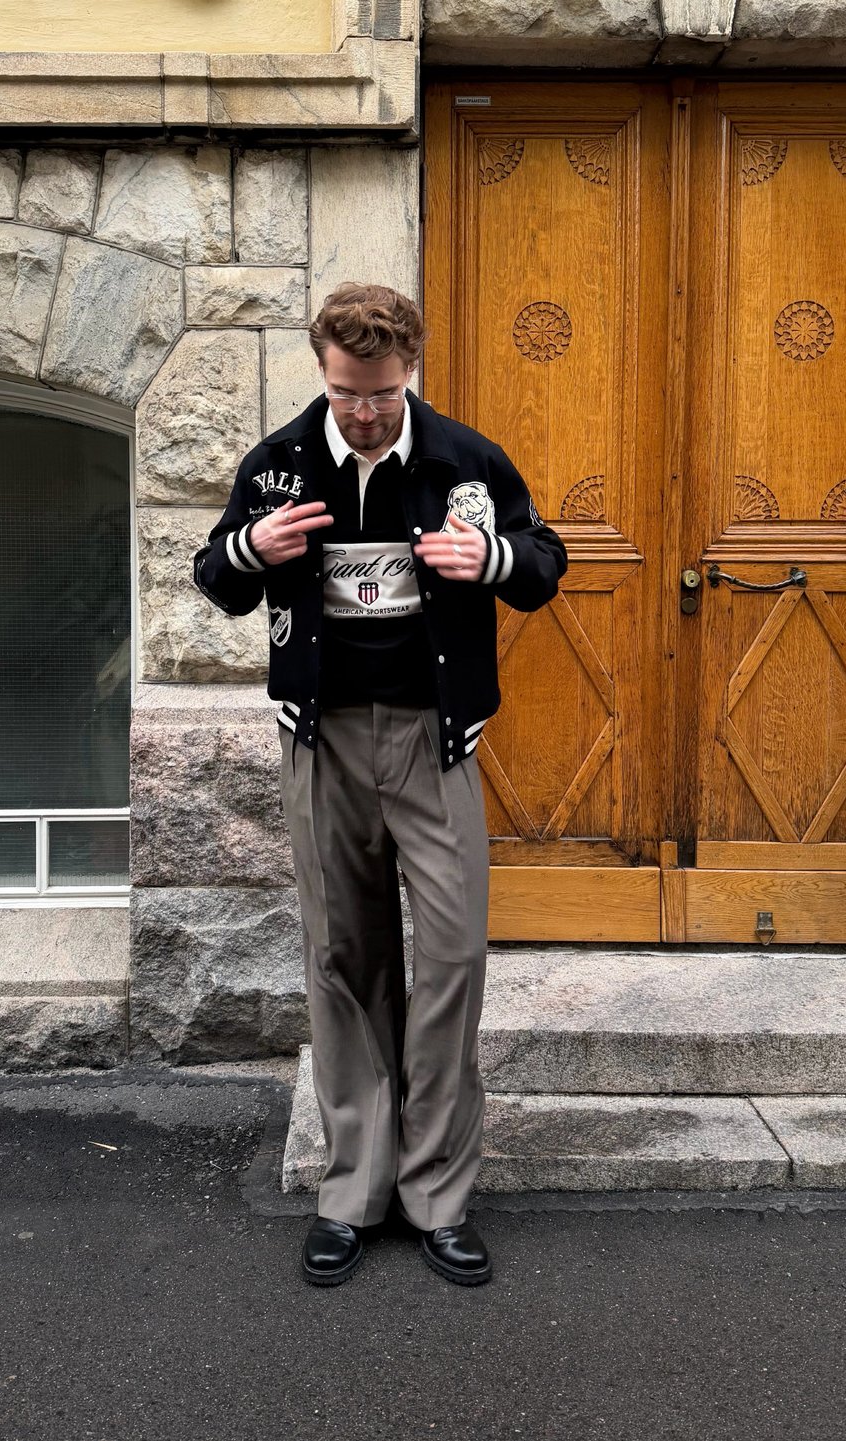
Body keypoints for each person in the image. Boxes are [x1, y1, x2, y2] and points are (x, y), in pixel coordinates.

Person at [194, 283, 567, 1286]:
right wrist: (250, 547)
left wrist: (485, 556)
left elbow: (543, 562)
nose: (364, 413)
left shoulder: (461, 462)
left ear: (410, 371)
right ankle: (353, 1188)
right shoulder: (279, 464)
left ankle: (438, 1193)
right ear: (324, 369)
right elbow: (214, 576)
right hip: (322, 742)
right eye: (348, 393)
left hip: (432, 741)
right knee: (343, 956)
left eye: (383, 394)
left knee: (448, 956)